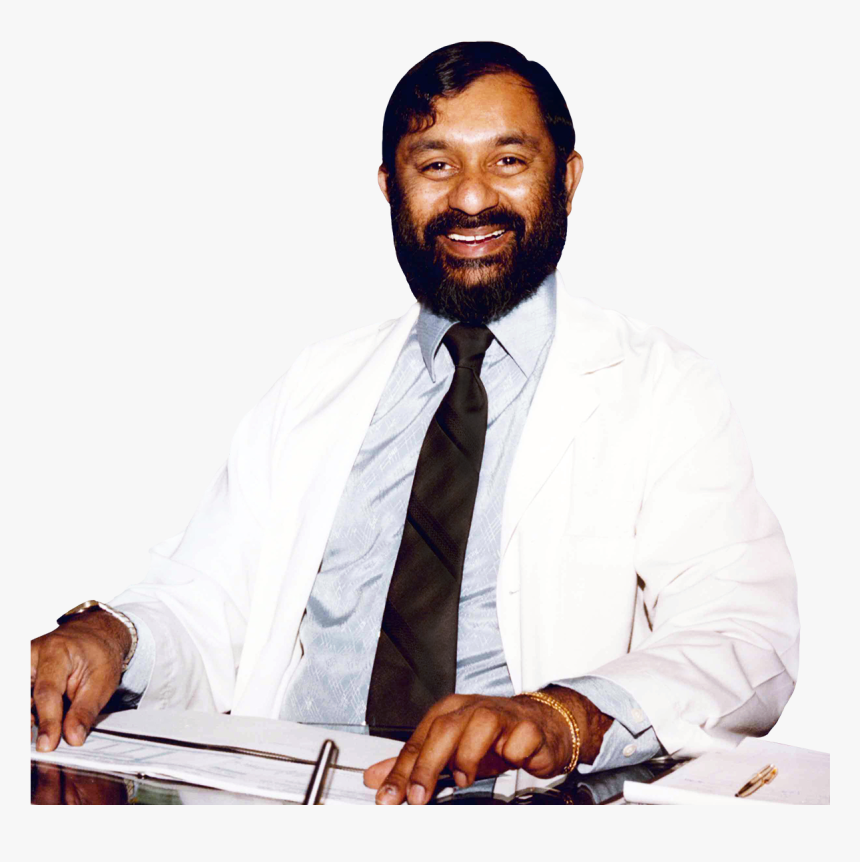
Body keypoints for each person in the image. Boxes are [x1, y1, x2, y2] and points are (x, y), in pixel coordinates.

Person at [30, 41, 799, 805]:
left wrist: (564, 715)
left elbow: (743, 633)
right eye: (435, 165)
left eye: (508, 161)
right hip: (288, 798)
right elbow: (209, 604)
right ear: (389, 187)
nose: (471, 198)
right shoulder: (317, 385)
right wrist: (114, 637)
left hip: (513, 806)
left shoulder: (662, 388)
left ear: (566, 179)